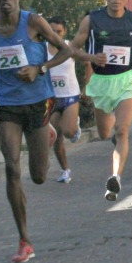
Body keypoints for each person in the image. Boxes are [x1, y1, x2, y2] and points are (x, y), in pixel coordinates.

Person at [0, 0, 71, 262]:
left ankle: (46, 134)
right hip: (8, 105)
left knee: (37, 177)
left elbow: (65, 50)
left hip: (37, 102)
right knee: (11, 168)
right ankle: (24, 239)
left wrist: (39, 68)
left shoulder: (34, 23)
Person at [71, 0, 132, 201]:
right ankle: (113, 135)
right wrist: (92, 57)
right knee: (105, 133)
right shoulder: (92, 20)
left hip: (125, 80)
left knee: (123, 130)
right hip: (101, 82)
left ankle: (115, 178)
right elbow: (73, 49)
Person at [47, 17, 83, 183]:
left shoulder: (69, 47)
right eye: (51, 31)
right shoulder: (41, 49)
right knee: (55, 136)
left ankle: (75, 125)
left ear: (65, 32)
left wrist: (87, 86)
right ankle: (65, 170)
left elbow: (88, 62)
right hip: (51, 98)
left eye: (58, 31)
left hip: (69, 95)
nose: (54, 34)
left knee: (68, 132)